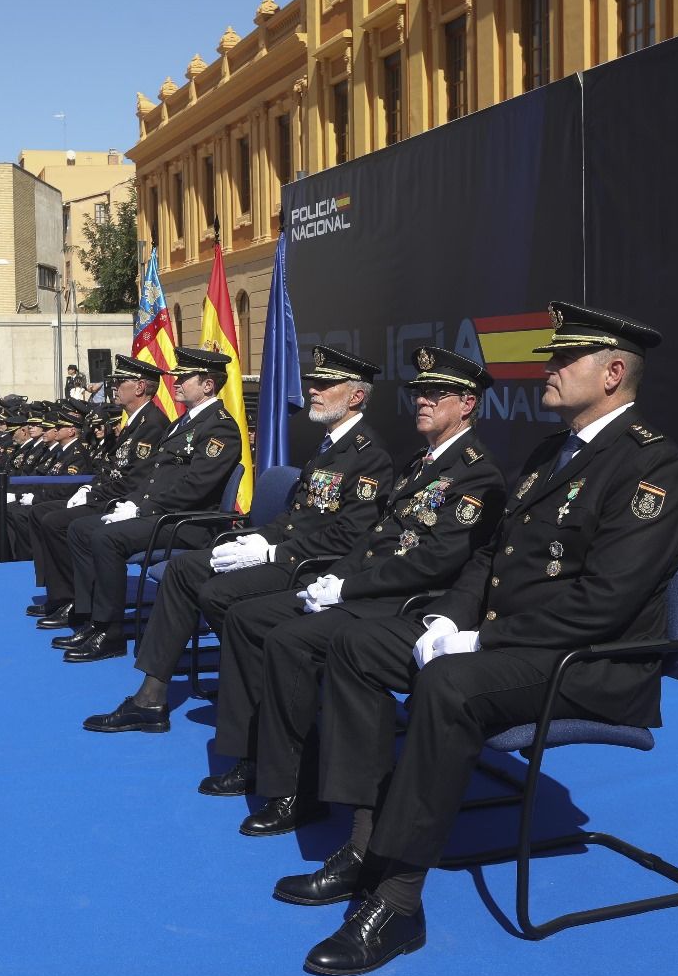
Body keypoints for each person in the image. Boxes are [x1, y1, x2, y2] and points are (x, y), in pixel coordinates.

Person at [283, 303, 678, 975]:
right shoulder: (552, 451)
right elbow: (488, 559)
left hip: (589, 663)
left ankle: (399, 901)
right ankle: (364, 843)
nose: (549, 369)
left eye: (565, 359)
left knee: (450, 683)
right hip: (517, 644)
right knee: (359, 646)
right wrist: (449, 619)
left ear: (613, 374)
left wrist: (479, 642)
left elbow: (605, 603)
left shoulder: (652, 466)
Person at [198, 347, 508, 833]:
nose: (422, 401)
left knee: (289, 640)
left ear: (467, 404)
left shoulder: (477, 472)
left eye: (435, 393)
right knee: (246, 617)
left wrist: (347, 588)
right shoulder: (421, 462)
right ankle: (254, 754)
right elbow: (372, 538)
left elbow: (435, 562)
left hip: (404, 603)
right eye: (419, 392)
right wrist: (334, 577)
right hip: (366, 586)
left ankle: (296, 787)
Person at [81, 346, 394, 732]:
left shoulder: (368, 455)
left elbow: (350, 535)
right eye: (314, 382)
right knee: (183, 570)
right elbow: (295, 516)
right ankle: (151, 696)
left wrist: (273, 551)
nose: (313, 389)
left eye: (326, 384)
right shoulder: (329, 445)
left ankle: (262, 685)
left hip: (310, 564)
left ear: (356, 396)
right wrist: (258, 538)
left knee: (217, 593)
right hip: (287, 549)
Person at [55, 348, 242, 664]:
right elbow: (154, 474)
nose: (176, 382)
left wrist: (143, 509)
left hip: (189, 523)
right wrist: (130, 502)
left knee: (106, 538)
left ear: (208, 385)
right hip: (162, 513)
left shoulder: (220, 427)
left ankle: (111, 632)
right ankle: (92, 618)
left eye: (184, 378)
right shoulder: (183, 422)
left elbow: (195, 486)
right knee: (81, 529)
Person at [25, 355, 170, 624]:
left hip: (121, 502)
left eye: (120, 382)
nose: (115, 386)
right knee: (39, 513)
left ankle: (75, 601)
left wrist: (92, 495)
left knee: (56, 522)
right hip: (108, 493)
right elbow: (109, 468)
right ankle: (60, 594)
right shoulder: (134, 422)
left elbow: (135, 480)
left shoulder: (152, 424)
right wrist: (87, 488)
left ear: (139, 387)